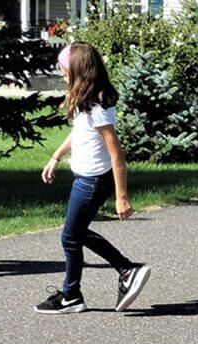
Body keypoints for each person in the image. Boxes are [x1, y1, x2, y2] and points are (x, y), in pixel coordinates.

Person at [37, 42, 150, 314]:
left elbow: (117, 155)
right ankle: (119, 273)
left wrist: (121, 197)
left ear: (79, 71)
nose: (62, 74)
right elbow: (78, 134)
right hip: (88, 179)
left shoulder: (96, 106)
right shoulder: (84, 100)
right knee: (76, 234)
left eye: (65, 71)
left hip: (93, 181)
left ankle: (74, 294)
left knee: (70, 236)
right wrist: (56, 156)